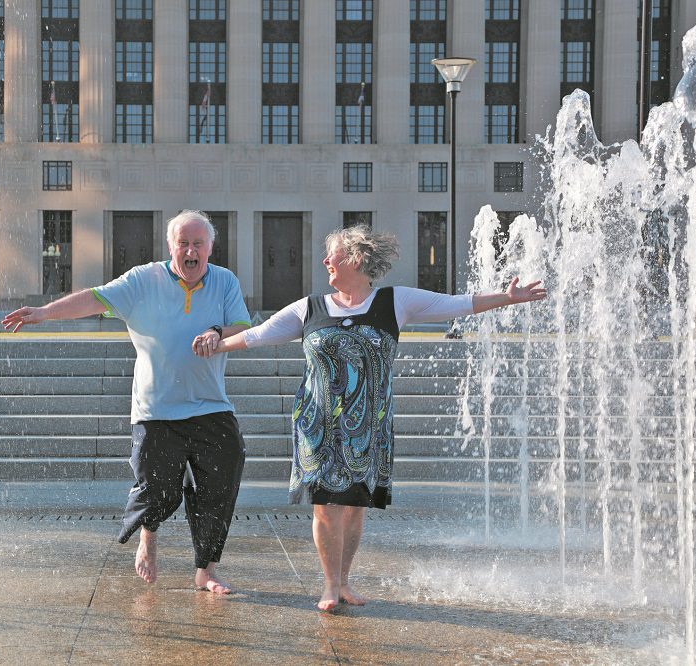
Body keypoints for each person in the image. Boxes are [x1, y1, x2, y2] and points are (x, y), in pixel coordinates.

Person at [194, 224, 546, 610]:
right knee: (326, 506)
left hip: (369, 427)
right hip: (318, 425)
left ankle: (344, 581)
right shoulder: (309, 308)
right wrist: (217, 344)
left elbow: (457, 303)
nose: (327, 261)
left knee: (355, 507)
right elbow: (258, 334)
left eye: (335, 256)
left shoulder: (396, 302)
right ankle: (329, 585)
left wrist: (507, 299)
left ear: (357, 260)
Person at [3, 210, 251, 594]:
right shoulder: (143, 280)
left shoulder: (225, 282)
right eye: (182, 244)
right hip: (156, 410)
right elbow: (94, 298)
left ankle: (207, 569)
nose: (190, 251)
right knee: (158, 491)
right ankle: (148, 537)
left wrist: (218, 332)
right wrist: (44, 313)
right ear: (171, 247)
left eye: (197, 244)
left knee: (223, 476)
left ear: (210, 248)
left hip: (209, 406)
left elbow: (242, 326)